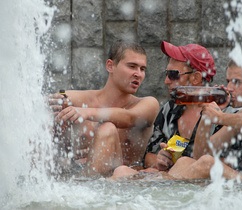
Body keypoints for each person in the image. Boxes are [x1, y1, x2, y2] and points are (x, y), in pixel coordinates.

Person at [111, 41, 242, 181]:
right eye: (167, 74)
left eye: (173, 74)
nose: (166, 81)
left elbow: (213, 163)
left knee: (183, 163)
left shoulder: (229, 114)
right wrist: (160, 159)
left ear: (195, 78)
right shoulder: (170, 109)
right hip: (175, 182)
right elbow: (149, 156)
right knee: (122, 171)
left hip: (214, 188)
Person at [48, 40, 160, 177]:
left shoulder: (149, 104)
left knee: (107, 129)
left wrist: (87, 112)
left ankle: (87, 190)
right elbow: (39, 107)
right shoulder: (76, 100)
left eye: (142, 69)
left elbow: (129, 118)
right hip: (79, 177)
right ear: (110, 66)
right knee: (46, 119)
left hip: (123, 186)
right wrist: (56, 112)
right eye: (132, 66)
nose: (138, 74)